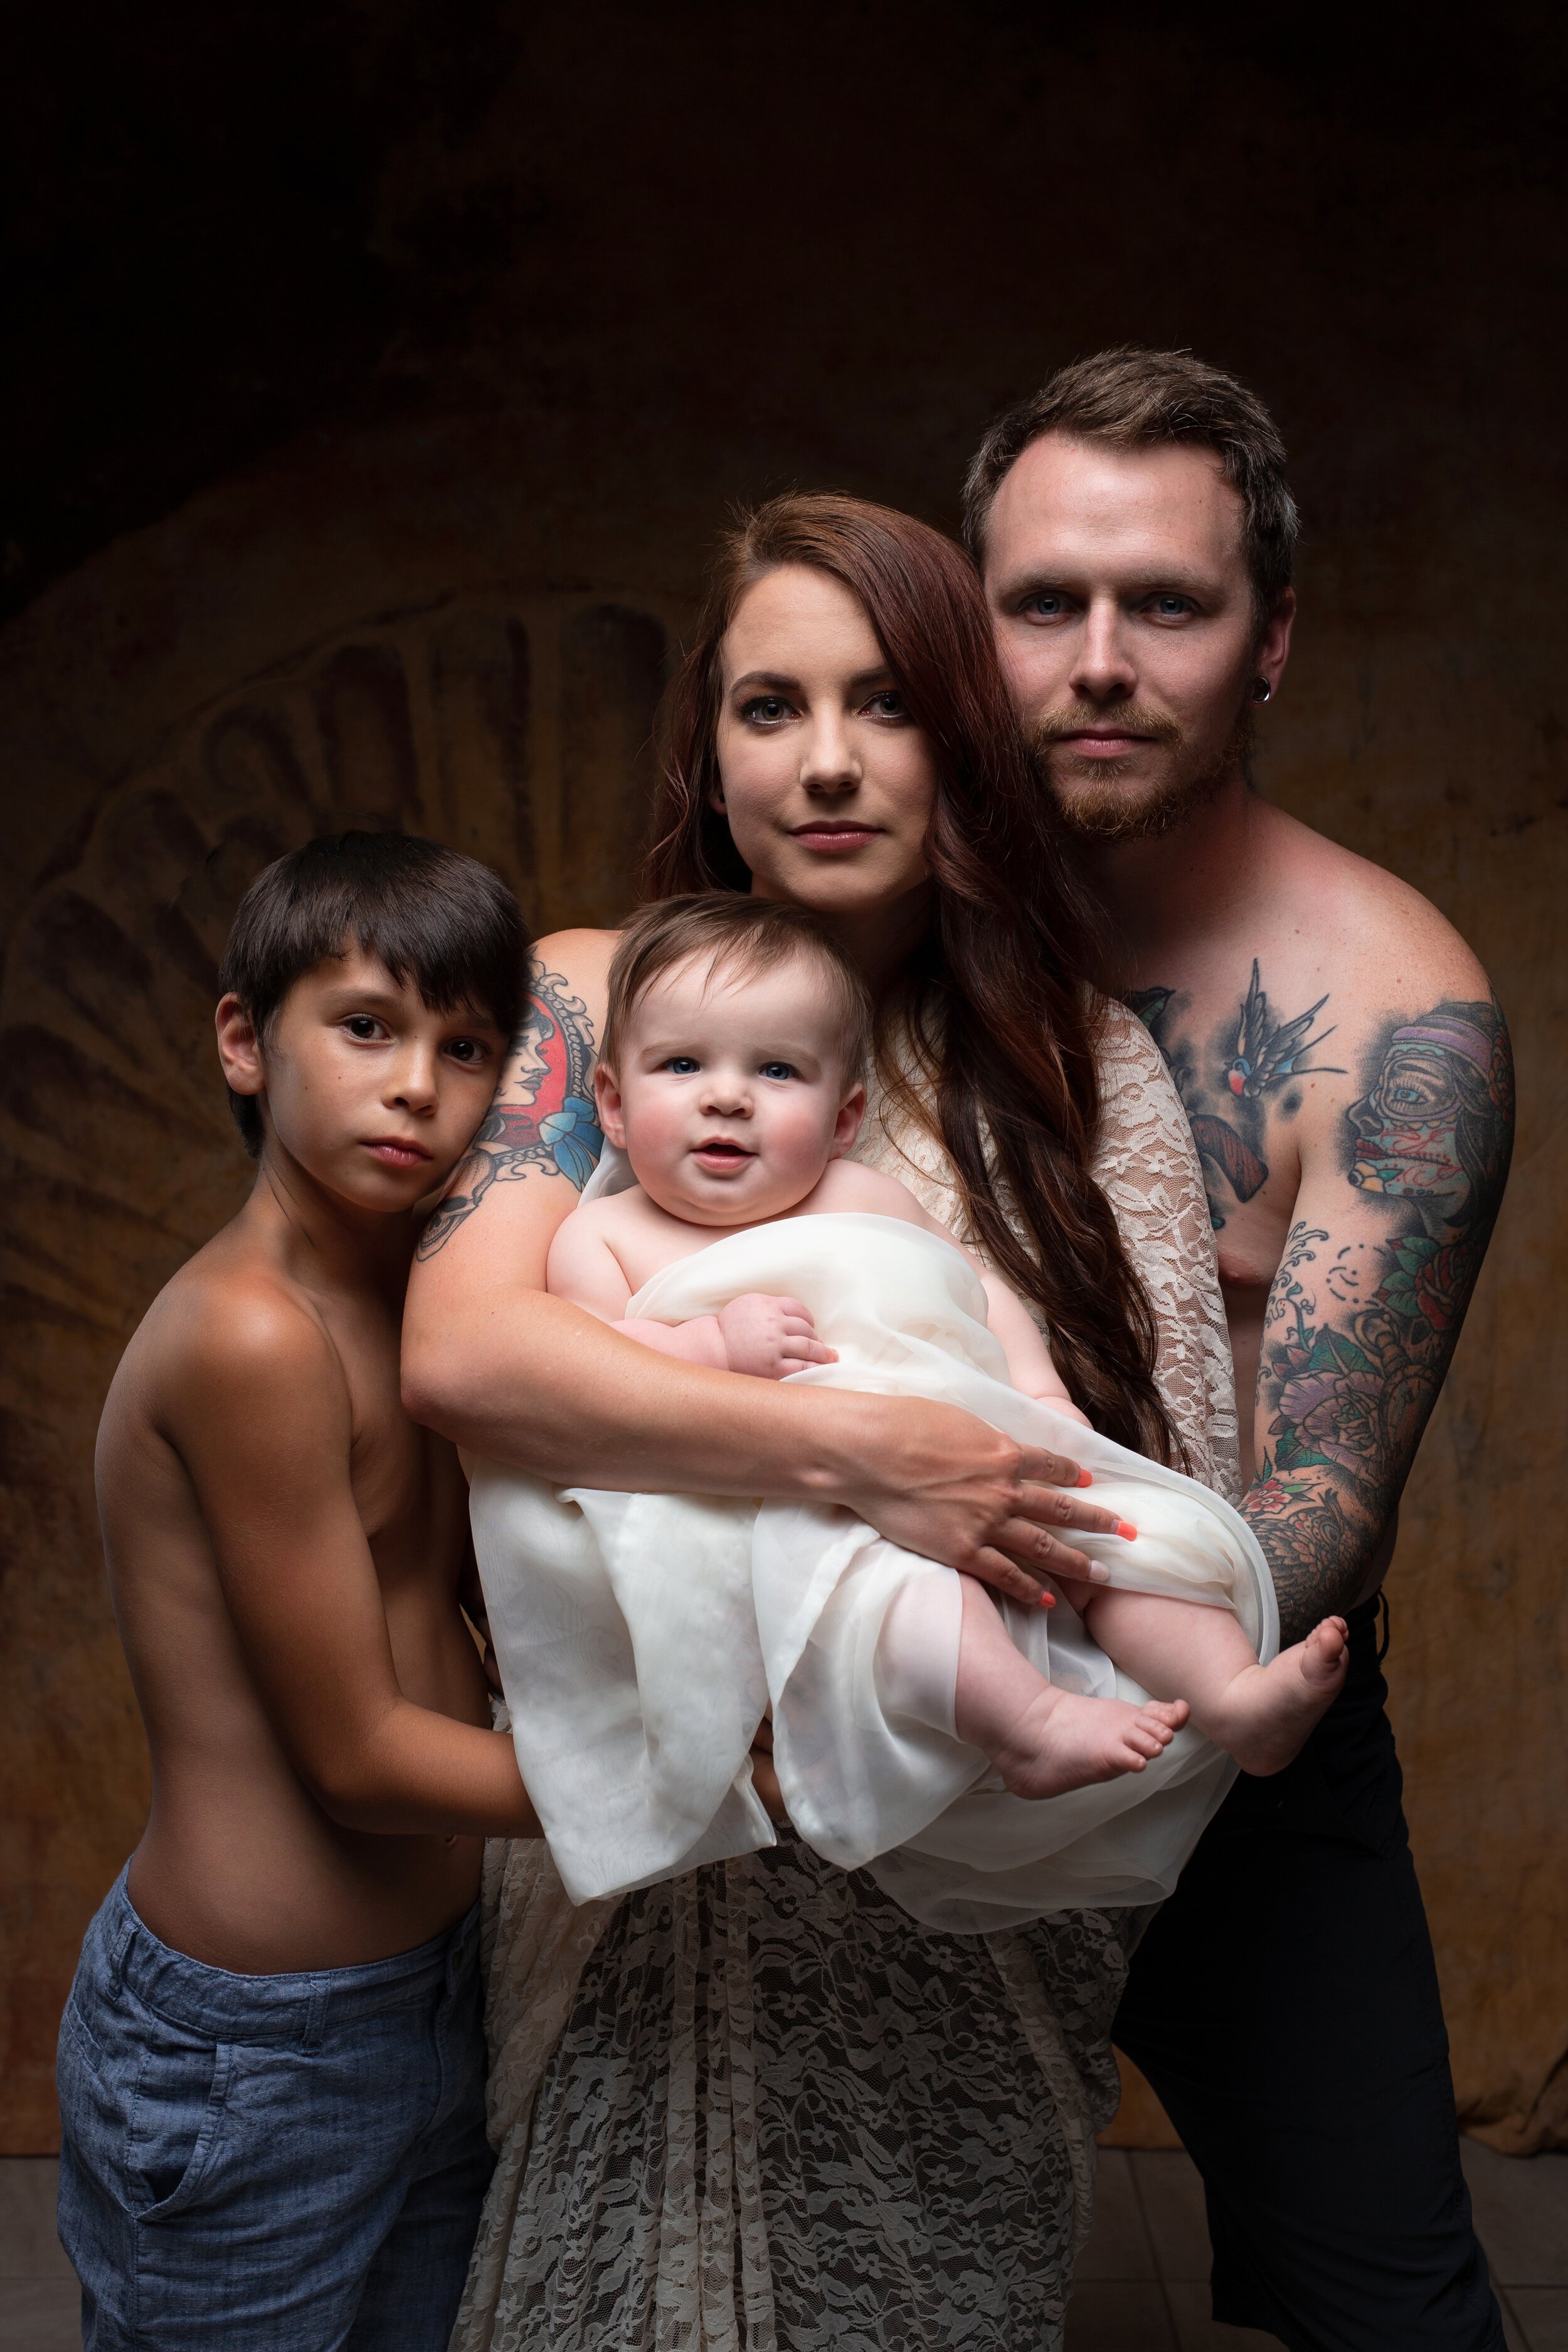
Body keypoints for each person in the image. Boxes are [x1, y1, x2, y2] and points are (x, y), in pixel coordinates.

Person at [403, 493, 1242, 2349]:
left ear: (963, 729)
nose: (829, 761)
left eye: (883, 702)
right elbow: (470, 1361)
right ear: (706, 742)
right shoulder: (585, 991)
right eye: (768, 705)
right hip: (640, 1844)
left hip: (960, 1856)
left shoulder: (1074, 1063)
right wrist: (871, 1457)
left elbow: (1163, 1469)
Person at [965, 346, 1514, 2352]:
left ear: (1266, 638)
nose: (1097, 660)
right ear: (972, 618)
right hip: (891, 1684)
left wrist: (1065, 1620)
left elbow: (1328, 1502)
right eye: (1044, 602)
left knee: (1385, 2305)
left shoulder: (1393, 1010)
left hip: (1220, 1716)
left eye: (1167, 604)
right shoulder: (863, 900)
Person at [479, 889, 1348, 1917]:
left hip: (961, 1453)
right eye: (684, 1066)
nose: (727, 1099)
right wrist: (702, 1342)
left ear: (845, 1118)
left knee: (1120, 1534)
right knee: (885, 1586)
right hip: (782, 1506)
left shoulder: (870, 1197)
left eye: (776, 1070)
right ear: (614, 1106)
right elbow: (598, 1371)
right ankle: (1024, 1722)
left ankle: (1232, 1697)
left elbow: (981, 1299)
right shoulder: (607, 1234)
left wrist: (1039, 1395)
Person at [60, 832, 549, 2352]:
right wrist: (710, 1791)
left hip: (426, 1994)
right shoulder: (250, 1337)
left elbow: (485, 1598)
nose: (416, 1084)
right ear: (242, 1043)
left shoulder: (426, 1304)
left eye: (464, 1047)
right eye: (364, 1026)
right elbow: (358, 1758)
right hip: (247, 2051)